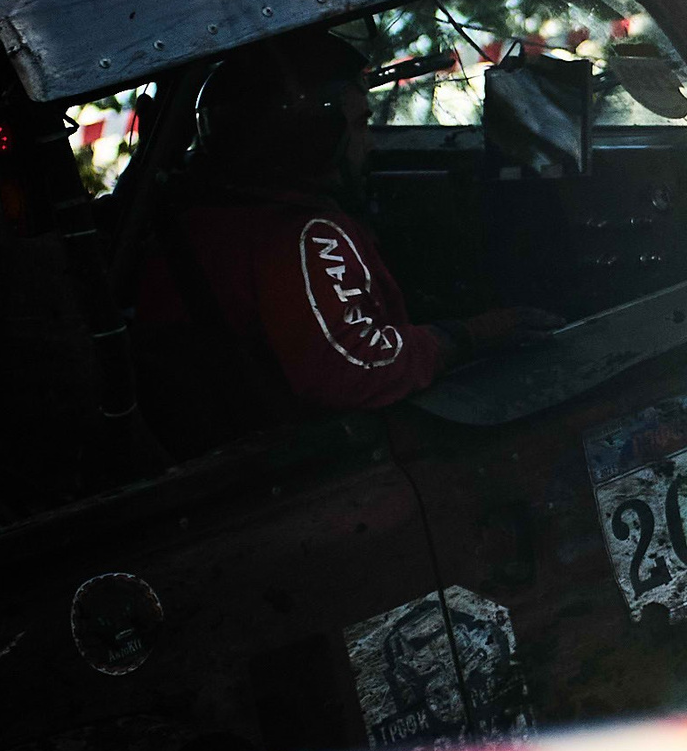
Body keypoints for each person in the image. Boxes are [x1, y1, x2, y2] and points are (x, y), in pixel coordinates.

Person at [134, 30, 552, 443]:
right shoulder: (299, 235)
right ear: (312, 140)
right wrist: (472, 334)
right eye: (359, 125)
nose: (369, 143)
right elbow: (358, 368)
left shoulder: (200, 217)